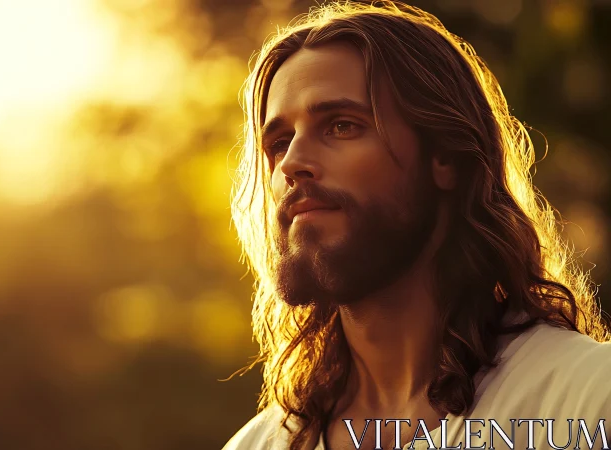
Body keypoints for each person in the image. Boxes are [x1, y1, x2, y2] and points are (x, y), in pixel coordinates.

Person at [223, 2, 611, 450]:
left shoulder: (585, 400)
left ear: (445, 156)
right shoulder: (257, 445)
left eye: (341, 126)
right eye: (280, 141)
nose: (292, 163)